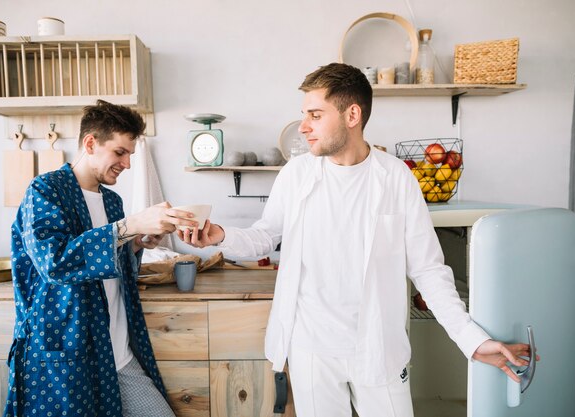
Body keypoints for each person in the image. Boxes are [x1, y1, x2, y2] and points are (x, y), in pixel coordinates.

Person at [178, 63, 536, 417]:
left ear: (352, 114)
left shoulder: (396, 178)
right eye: (305, 115)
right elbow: (264, 236)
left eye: (315, 115)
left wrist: (471, 339)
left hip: (378, 346)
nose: (303, 127)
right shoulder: (296, 174)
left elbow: (428, 270)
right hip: (311, 348)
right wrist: (219, 235)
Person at [4, 100, 197, 417]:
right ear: (90, 143)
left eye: (130, 154)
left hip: (118, 353)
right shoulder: (45, 190)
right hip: (69, 357)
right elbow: (55, 263)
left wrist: (137, 243)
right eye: (120, 152)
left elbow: (112, 266)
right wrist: (130, 226)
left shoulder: (112, 201)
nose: (128, 163)